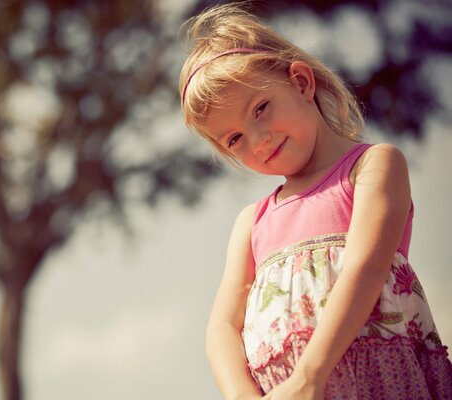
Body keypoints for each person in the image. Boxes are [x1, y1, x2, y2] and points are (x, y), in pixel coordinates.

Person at [179, 3, 452, 400]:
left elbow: (367, 268)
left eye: (260, 109)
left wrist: (310, 376)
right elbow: (222, 326)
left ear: (302, 83)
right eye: (235, 139)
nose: (258, 140)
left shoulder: (372, 167)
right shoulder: (252, 223)